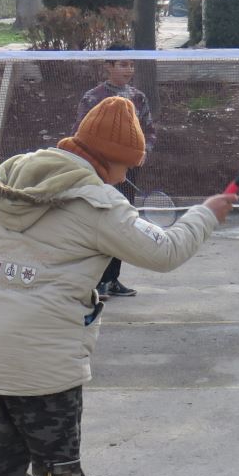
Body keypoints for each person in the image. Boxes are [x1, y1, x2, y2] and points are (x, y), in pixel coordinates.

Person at [0, 96, 237, 476]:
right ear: (108, 158)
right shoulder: (97, 203)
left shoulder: (6, 178)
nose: (126, 177)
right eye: (126, 166)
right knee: (59, 468)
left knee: (5, 459)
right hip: (47, 359)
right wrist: (206, 214)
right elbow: (165, 252)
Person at [78, 46, 158, 297]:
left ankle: (112, 280)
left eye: (131, 64)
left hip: (127, 173)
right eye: (123, 64)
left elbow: (149, 131)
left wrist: (143, 153)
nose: (129, 69)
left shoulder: (138, 98)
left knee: (120, 225)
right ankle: (95, 281)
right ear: (109, 66)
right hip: (99, 174)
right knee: (99, 225)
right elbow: (80, 134)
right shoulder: (93, 98)